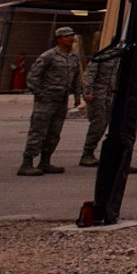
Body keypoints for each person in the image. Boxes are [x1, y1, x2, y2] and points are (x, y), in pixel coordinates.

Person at [19, 26, 82, 176]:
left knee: (54, 132)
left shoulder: (73, 57)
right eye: (66, 36)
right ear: (58, 38)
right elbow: (33, 76)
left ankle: (45, 162)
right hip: (46, 100)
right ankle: (27, 163)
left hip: (61, 100)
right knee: (38, 131)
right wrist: (40, 94)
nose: (70, 38)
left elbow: (76, 78)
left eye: (71, 36)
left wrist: (78, 96)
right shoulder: (48, 56)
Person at [78, 46, 121, 167]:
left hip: (111, 95)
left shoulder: (123, 57)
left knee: (107, 123)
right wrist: (88, 91)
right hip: (98, 95)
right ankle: (87, 153)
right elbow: (89, 74)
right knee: (99, 124)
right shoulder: (103, 56)